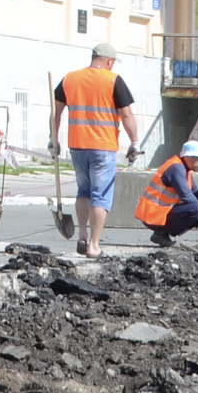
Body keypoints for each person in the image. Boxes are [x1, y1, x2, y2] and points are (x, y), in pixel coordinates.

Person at [58, 45, 140, 257]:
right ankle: (94, 246)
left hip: (77, 146)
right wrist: (135, 142)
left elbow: (56, 112)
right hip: (103, 148)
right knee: (100, 197)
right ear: (109, 62)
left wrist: (52, 138)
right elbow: (127, 115)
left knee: (84, 191)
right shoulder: (113, 80)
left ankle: (82, 235)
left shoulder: (70, 78)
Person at [137, 140, 198, 246]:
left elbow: (195, 199)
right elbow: (186, 196)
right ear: (188, 156)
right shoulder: (176, 167)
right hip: (154, 213)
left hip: (164, 211)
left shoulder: (186, 170)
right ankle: (160, 234)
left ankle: (163, 234)